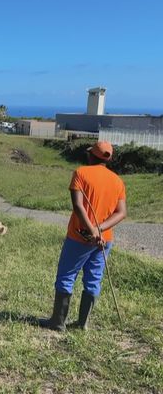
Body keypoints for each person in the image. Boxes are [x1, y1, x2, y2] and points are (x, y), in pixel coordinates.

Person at [39, 141, 126, 331]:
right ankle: (82, 324)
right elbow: (121, 212)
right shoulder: (117, 181)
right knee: (94, 279)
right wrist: (100, 230)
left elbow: (78, 206)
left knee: (67, 276)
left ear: (91, 156)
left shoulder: (81, 173)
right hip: (104, 240)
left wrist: (92, 231)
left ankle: (57, 322)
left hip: (80, 237)